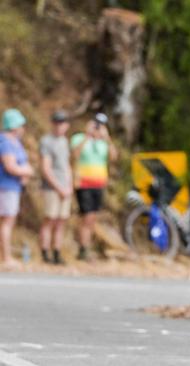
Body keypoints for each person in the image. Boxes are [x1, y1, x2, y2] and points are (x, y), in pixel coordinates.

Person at [70, 113, 118, 261]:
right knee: (87, 216)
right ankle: (83, 248)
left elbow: (114, 157)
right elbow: (75, 155)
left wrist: (107, 139)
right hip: (84, 183)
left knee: (92, 218)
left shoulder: (103, 143)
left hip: (99, 184)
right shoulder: (79, 138)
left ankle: (86, 247)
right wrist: (87, 136)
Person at [0, 108, 34, 269]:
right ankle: (6, 257)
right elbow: (10, 166)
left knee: (8, 222)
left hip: (13, 187)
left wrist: (26, 172)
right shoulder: (5, 142)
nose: (23, 128)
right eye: (20, 125)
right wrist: (26, 171)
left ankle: (6, 255)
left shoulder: (15, 142)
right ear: (14, 126)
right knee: (6, 222)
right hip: (5, 187)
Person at [39, 110, 73, 265]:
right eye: (58, 122)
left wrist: (70, 185)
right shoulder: (47, 141)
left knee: (61, 221)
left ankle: (57, 252)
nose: (60, 126)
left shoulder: (65, 141)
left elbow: (67, 166)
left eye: (63, 123)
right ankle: (45, 253)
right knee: (50, 220)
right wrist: (59, 187)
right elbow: (46, 168)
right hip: (52, 187)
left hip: (65, 187)